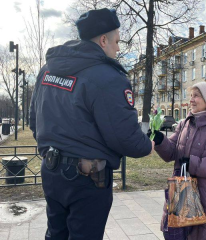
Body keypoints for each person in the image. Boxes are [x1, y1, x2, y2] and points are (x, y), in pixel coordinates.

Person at [30, 8, 154, 240]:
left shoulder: (47, 70)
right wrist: (147, 146)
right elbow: (123, 136)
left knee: (55, 235)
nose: (118, 48)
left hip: (51, 171)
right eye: (117, 41)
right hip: (87, 179)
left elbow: (34, 120)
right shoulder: (107, 77)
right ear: (103, 39)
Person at [152, 82, 206, 240]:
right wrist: (160, 141)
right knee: (178, 235)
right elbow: (172, 152)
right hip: (182, 193)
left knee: (205, 236)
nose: (191, 100)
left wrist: (193, 163)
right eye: (191, 96)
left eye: (196, 96)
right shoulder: (185, 124)